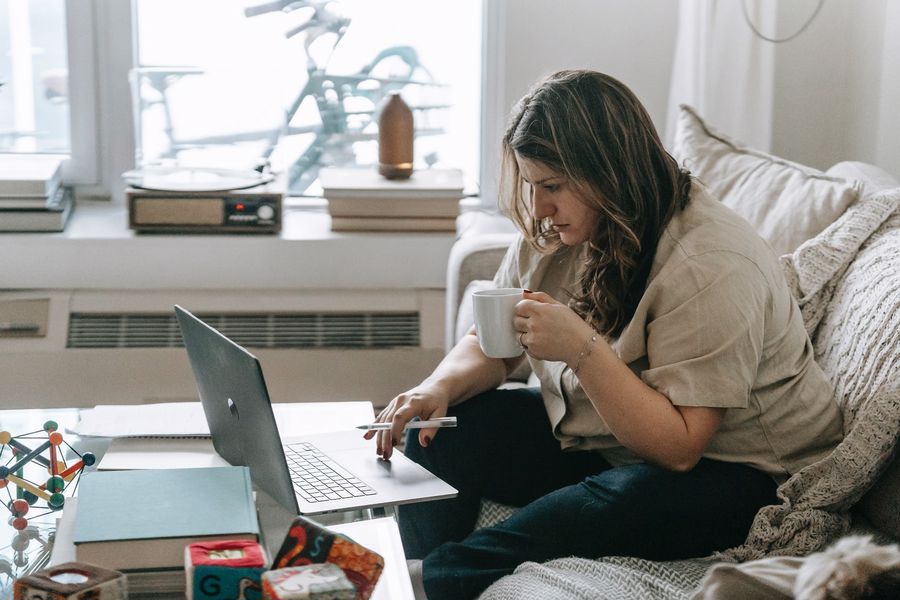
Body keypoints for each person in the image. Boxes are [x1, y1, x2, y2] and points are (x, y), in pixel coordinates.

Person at [363, 70, 844, 600]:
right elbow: (491, 341)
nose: (540, 207)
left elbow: (680, 449)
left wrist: (581, 349)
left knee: (622, 498)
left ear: (609, 172)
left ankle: (429, 580)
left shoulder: (710, 262)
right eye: (531, 185)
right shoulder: (565, 229)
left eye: (552, 187)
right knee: (444, 426)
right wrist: (439, 387)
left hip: (741, 474)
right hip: (610, 438)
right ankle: (411, 564)